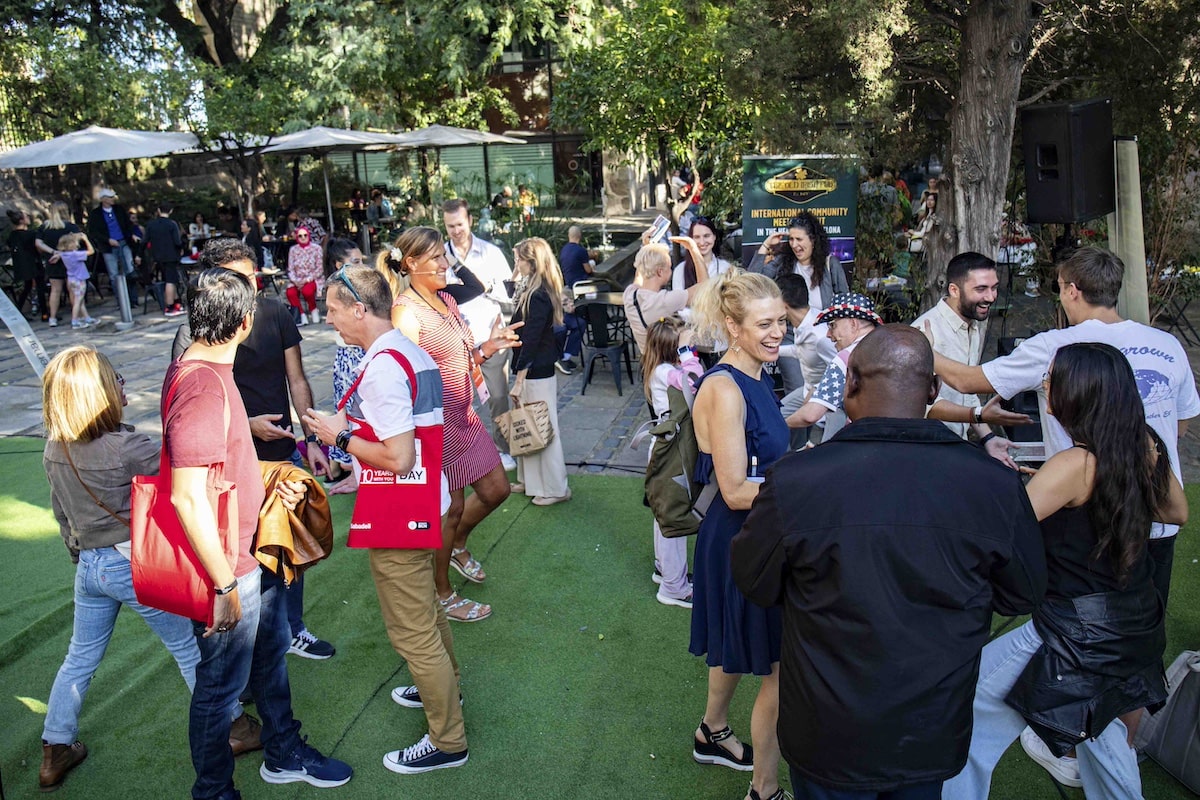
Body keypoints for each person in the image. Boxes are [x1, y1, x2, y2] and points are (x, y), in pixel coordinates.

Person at [731, 325, 1046, 800]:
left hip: (828, 726)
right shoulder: (993, 485)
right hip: (930, 725)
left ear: (850, 384)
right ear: (933, 389)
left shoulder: (797, 481)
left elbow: (754, 580)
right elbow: (1022, 590)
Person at [942, 342, 1187, 800]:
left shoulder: (1076, 463)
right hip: (1131, 621)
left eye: (1051, 378)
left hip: (1075, 631)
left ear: (1079, 392)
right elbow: (1177, 512)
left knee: (967, 703)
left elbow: (1002, 532)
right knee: (1101, 728)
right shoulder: (1141, 445)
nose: (1044, 385)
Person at [165, 267, 351, 797]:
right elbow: (185, 494)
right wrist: (224, 584)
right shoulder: (202, 383)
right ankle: (214, 791)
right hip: (230, 563)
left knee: (270, 658)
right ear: (245, 324)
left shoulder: (203, 369)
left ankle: (283, 751)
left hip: (251, 548)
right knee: (220, 688)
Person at [929, 246, 1200, 608]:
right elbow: (1180, 428)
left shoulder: (1057, 347)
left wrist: (917, 345)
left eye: (1059, 288)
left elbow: (965, 381)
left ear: (1072, 290)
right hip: (1156, 516)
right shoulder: (1168, 344)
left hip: (1091, 522)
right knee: (1146, 627)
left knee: (1080, 618)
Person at [302, 264, 471, 775]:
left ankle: (448, 740)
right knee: (427, 614)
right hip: (427, 501)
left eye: (331, 309)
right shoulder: (407, 350)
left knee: (412, 630)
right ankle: (442, 690)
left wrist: (337, 436)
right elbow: (412, 437)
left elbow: (397, 458)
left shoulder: (381, 365)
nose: (326, 318)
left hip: (401, 508)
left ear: (360, 309)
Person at [37, 347, 201, 791]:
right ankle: (231, 726)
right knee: (187, 647)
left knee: (79, 656)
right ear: (102, 392)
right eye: (117, 380)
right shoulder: (128, 444)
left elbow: (61, 514)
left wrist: (79, 555)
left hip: (88, 565)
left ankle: (55, 746)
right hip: (134, 564)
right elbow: (179, 484)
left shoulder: (55, 447)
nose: (123, 385)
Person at [170, 238, 336, 661]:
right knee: (242, 553)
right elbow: (186, 400)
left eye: (253, 278)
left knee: (289, 548)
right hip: (229, 464)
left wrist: (311, 437)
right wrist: (246, 426)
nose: (251, 288)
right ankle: (249, 641)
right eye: (239, 279)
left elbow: (296, 379)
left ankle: (292, 630)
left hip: (281, 452)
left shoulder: (274, 311)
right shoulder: (192, 332)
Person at [382, 227, 522, 622]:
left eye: (445, 256)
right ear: (411, 264)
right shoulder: (405, 313)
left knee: (497, 489)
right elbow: (405, 378)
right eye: (437, 259)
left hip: (466, 414)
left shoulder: (445, 298)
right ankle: (442, 593)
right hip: (436, 426)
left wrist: (486, 349)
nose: (446, 264)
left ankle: (458, 545)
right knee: (452, 509)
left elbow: (459, 355)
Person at [687, 270, 790, 800]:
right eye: (765, 324)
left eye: (781, 322)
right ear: (732, 325)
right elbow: (733, 489)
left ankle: (712, 730)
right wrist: (805, 479)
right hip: (741, 539)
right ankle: (765, 790)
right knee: (780, 668)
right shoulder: (725, 388)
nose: (778, 333)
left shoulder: (758, 373)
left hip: (759, 534)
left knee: (737, 646)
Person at [911, 252, 1014, 464]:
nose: (991, 297)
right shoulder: (924, 332)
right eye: (981, 289)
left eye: (994, 288)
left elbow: (967, 393)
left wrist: (988, 437)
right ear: (954, 290)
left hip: (957, 447)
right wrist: (979, 415)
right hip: (928, 452)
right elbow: (923, 405)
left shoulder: (972, 323)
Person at [442, 198, 517, 468]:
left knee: (498, 396)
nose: (456, 230)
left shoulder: (490, 253)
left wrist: (485, 288)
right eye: (450, 226)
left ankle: (503, 449)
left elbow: (511, 292)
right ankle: (463, 451)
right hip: (452, 342)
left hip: (489, 336)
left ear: (470, 221)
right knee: (458, 402)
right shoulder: (439, 256)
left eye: (460, 224)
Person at [747, 212, 849, 399]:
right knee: (798, 392)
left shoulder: (829, 265)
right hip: (790, 336)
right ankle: (797, 427)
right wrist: (765, 247)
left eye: (799, 239)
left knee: (822, 392)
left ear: (813, 240)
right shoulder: (783, 263)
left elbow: (844, 302)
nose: (794, 244)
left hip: (823, 338)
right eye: (791, 239)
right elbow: (752, 283)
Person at [641, 318, 701, 608]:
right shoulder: (666, 372)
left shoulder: (655, 368)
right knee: (674, 513)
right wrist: (688, 350)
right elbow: (694, 382)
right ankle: (673, 586)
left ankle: (665, 568)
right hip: (671, 449)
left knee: (663, 510)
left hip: (661, 445)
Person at [510, 238, 571, 505]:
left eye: (519, 260)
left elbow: (532, 338)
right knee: (528, 424)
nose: (517, 264)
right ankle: (530, 480)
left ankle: (556, 488)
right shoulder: (534, 288)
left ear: (531, 263)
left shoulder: (538, 295)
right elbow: (511, 293)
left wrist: (519, 379)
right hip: (534, 366)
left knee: (543, 427)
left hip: (536, 369)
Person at [323, 237, 367, 492]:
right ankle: (346, 465)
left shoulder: (348, 286)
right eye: (356, 261)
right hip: (351, 357)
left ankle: (342, 464)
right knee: (352, 413)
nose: (362, 266)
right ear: (339, 264)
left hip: (355, 355)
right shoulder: (339, 290)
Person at [623, 239, 710, 355]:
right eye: (669, 267)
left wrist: (646, 249)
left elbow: (639, 275)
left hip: (648, 365)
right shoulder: (665, 301)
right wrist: (693, 249)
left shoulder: (629, 294)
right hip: (671, 367)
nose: (671, 270)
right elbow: (705, 287)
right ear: (660, 272)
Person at [86, 188, 139, 307]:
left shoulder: (119, 210)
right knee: (114, 275)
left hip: (123, 242)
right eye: (110, 198)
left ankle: (133, 299)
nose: (112, 199)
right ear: (103, 199)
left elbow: (127, 224)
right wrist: (107, 240)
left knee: (130, 272)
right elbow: (94, 232)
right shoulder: (96, 214)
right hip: (108, 247)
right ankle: (121, 301)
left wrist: (132, 234)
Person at [35, 200, 81, 327]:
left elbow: (38, 243)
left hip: (52, 261)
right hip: (70, 261)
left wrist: (53, 251)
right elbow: (78, 242)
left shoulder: (45, 227)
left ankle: (52, 317)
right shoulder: (71, 227)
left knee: (55, 290)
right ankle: (75, 317)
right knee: (72, 289)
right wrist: (62, 253)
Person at [145, 203, 186, 317]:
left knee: (169, 278)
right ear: (171, 211)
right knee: (171, 281)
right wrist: (182, 248)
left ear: (158, 210)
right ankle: (169, 306)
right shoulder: (172, 224)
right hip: (171, 255)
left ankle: (176, 302)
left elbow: (145, 240)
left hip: (158, 256)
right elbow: (177, 242)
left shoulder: (151, 225)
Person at [673, 216, 731, 292]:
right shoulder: (680, 269)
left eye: (706, 236)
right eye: (697, 237)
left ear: (714, 236)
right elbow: (678, 302)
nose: (702, 242)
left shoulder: (725, 268)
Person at [51, 232, 96, 329]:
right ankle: (74, 321)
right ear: (71, 245)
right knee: (78, 301)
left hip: (71, 279)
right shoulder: (75, 254)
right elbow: (91, 251)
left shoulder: (64, 254)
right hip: (79, 280)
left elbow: (59, 253)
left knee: (80, 300)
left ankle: (87, 318)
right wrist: (86, 239)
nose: (77, 244)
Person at [6, 209, 44, 319]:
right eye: (26, 216)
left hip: (21, 266)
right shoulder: (31, 234)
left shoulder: (12, 236)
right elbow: (37, 248)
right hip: (34, 263)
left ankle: (18, 310)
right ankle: (45, 313)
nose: (29, 217)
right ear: (22, 221)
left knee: (27, 287)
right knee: (40, 286)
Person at [286, 227, 323, 326]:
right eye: (300, 236)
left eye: (305, 235)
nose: (303, 238)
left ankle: (313, 309)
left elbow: (319, 269)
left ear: (309, 235)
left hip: (312, 278)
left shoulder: (317, 248)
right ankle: (301, 315)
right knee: (290, 292)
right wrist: (295, 280)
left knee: (307, 291)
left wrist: (307, 280)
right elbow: (290, 268)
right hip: (297, 279)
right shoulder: (293, 250)